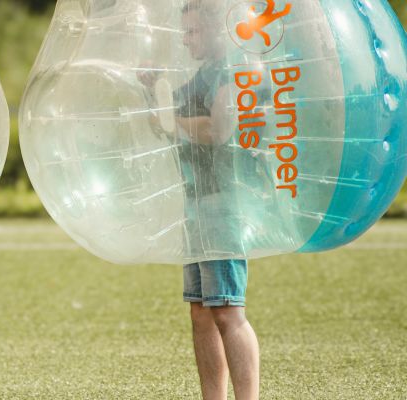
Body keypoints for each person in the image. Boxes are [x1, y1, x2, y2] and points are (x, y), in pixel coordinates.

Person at [138, 1, 260, 399]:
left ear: (215, 29)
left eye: (193, 31)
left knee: (227, 310)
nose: (186, 40)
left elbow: (219, 129)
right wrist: (151, 90)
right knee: (201, 312)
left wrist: (172, 122)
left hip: (224, 204)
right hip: (198, 204)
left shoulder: (231, 71)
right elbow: (166, 123)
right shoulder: (202, 75)